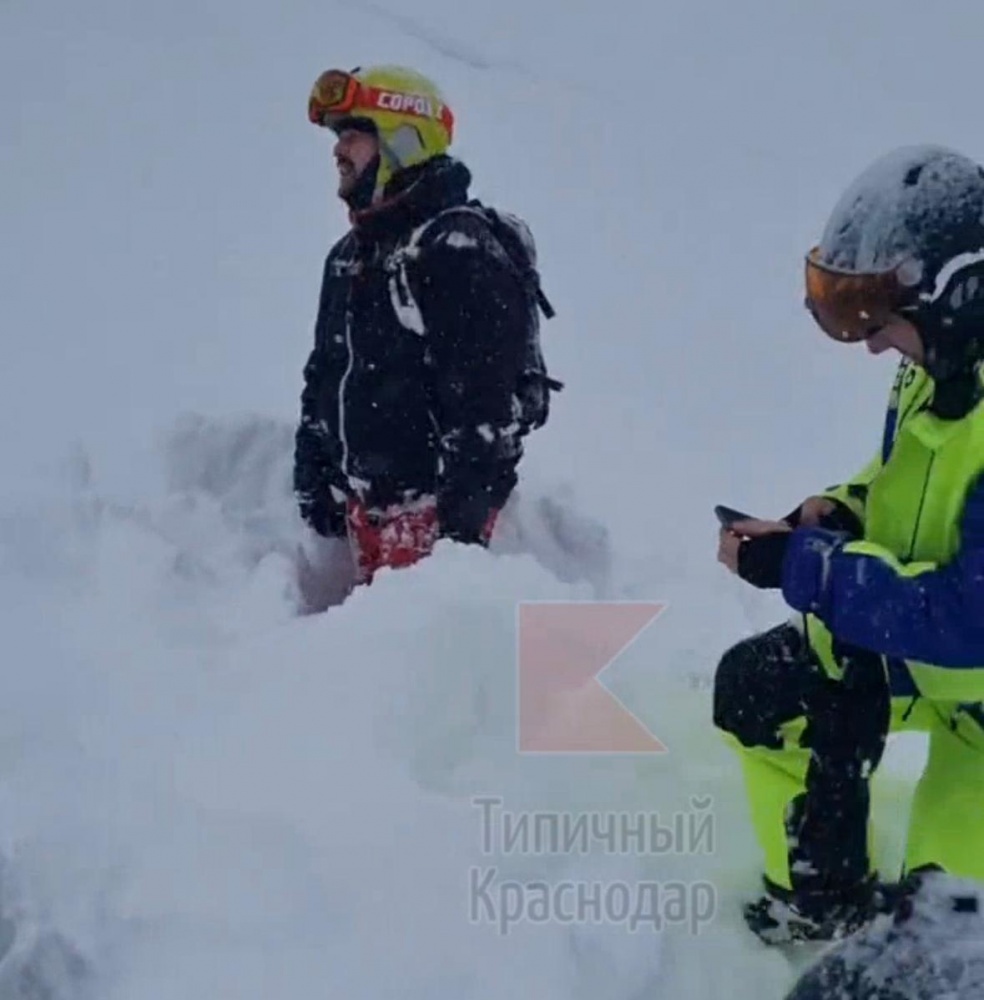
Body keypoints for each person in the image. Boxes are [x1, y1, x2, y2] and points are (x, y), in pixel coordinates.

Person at [712, 144, 984, 944]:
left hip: (968, 673)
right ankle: (820, 908)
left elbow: (967, 620)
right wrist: (841, 512)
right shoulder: (941, 367)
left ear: (961, 297)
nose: (871, 346)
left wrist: (807, 569)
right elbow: (911, 476)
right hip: (940, 668)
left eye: (881, 321)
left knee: (937, 951)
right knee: (762, 694)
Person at [292, 65, 558, 611]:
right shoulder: (350, 256)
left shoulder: (455, 248)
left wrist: (458, 538)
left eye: (353, 134)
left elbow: (481, 406)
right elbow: (325, 370)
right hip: (366, 513)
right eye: (337, 136)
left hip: (434, 519)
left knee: (407, 682)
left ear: (402, 137)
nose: (338, 151)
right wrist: (314, 470)